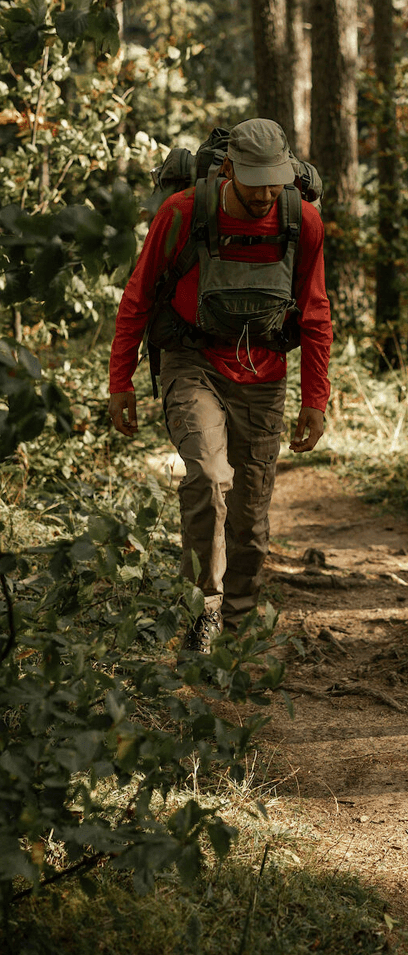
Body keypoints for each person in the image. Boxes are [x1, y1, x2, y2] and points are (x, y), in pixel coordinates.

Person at [108, 119, 333, 652]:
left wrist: (315, 398)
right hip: (193, 361)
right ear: (228, 168)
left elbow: (316, 311)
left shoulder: (300, 220)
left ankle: (236, 628)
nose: (263, 192)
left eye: (273, 180)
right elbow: (137, 296)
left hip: (263, 372)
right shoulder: (184, 212)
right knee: (209, 477)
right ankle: (202, 610)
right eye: (253, 179)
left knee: (251, 519)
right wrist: (121, 382)